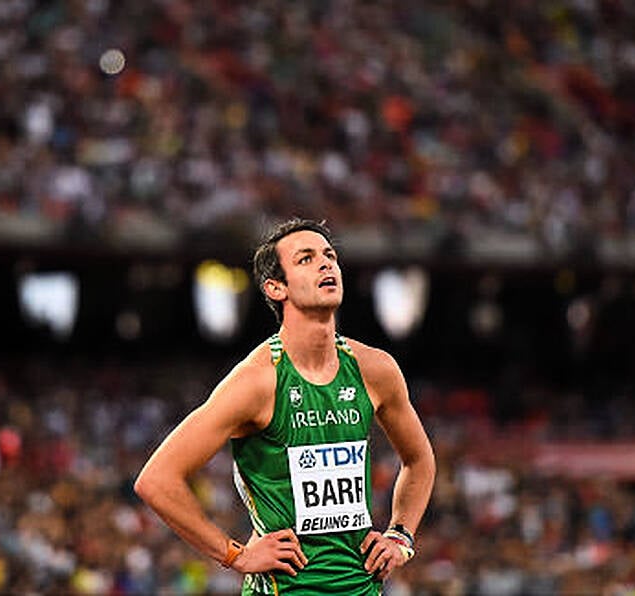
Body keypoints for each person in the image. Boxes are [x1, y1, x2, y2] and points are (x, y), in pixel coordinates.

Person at [134, 218, 436, 594]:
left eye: (329, 256)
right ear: (276, 287)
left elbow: (420, 460)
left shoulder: (376, 369)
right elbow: (157, 480)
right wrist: (236, 556)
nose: (327, 265)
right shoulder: (257, 381)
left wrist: (400, 535)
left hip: (361, 587)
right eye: (306, 259)